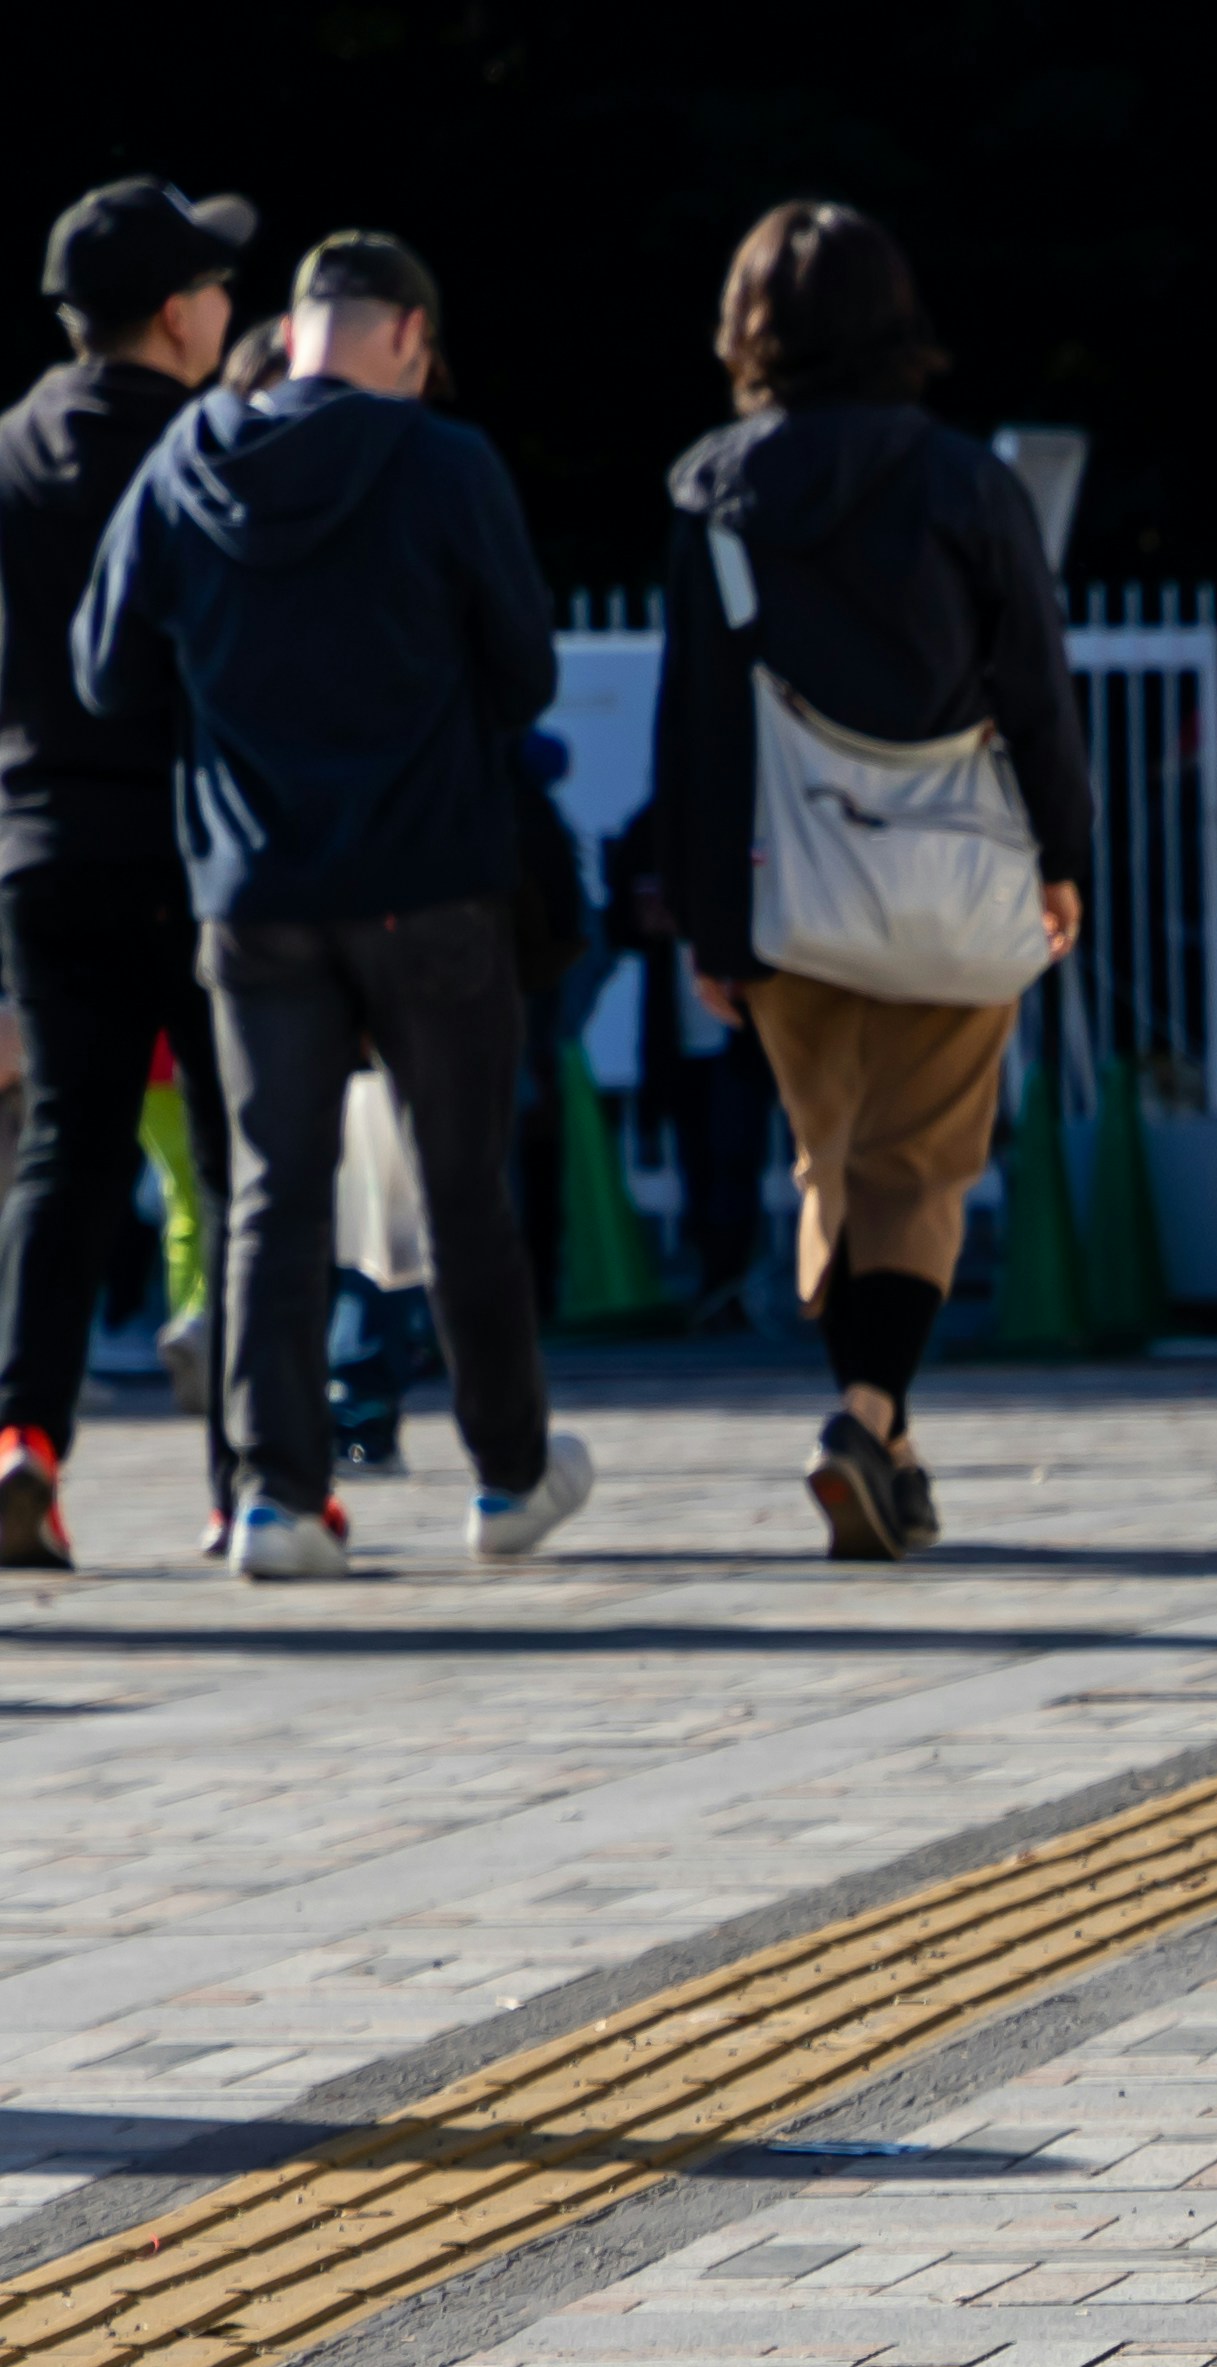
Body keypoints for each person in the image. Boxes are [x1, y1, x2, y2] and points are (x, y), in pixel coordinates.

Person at [75, 230, 589, 1580]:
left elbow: (104, 673)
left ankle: (280, 1503)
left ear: (297, 327)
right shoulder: (446, 465)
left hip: (252, 889)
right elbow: (527, 674)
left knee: (272, 1195)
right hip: (430, 882)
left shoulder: (188, 459)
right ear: (408, 338)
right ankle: (510, 1479)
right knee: (463, 1183)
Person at [654, 202, 1083, 1557]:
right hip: (955, 872)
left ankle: (878, 1438)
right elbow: (1038, 693)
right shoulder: (968, 484)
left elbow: (699, 723)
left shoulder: (711, 489)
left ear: (750, 327)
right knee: (922, 1162)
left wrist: (710, 925)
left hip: (789, 881)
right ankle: (871, 1408)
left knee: (830, 1161)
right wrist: (1063, 860)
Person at [0, 178, 249, 1569]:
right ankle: (250, 1478)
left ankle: (21, 1437)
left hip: (41, 841)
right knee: (231, 1155)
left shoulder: (7, 449)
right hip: (193, 837)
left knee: (66, 1150)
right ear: (173, 313)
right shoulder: (213, 444)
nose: (229, 307)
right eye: (215, 286)